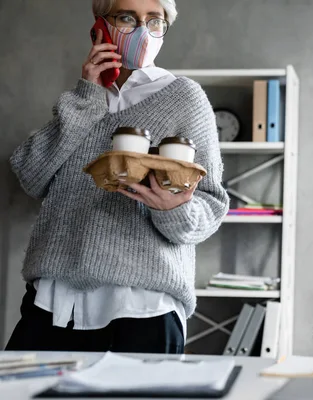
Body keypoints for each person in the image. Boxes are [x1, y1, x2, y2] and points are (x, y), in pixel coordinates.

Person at [5, 0, 229, 354]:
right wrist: (87, 95)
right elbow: (32, 175)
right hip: (53, 303)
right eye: (127, 18)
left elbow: (211, 207)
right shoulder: (83, 99)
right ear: (100, 27)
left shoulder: (185, 98)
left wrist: (172, 209)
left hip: (142, 307)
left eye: (155, 21)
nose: (143, 31)